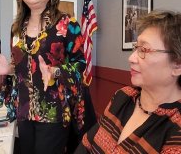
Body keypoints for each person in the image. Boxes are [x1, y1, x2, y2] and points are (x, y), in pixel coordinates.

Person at [0, 0, 86, 154]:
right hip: (24, 109)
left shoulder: (67, 24)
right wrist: (8, 69)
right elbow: (21, 66)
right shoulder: (16, 28)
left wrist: (55, 71)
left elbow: (80, 65)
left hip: (53, 111)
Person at [75, 10, 181, 153]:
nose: (131, 58)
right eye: (136, 48)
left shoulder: (176, 129)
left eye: (144, 49)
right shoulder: (123, 96)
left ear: (177, 65)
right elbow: (87, 144)